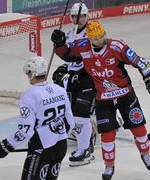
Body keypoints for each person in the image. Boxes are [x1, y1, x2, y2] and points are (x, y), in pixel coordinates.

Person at [51, 21, 150, 180]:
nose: (101, 39)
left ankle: (146, 155)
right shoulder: (82, 45)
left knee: (139, 129)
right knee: (107, 136)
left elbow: (140, 61)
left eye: (102, 35)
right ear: (89, 39)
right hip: (103, 98)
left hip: (125, 95)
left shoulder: (117, 46)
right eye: (96, 38)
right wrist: (59, 43)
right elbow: (66, 54)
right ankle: (109, 166)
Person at [0, 56, 75, 180]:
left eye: (29, 72)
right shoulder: (60, 90)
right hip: (61, 146)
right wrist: (57, 136)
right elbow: (70, 121)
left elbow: (26, 131)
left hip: (42, 148)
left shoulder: (29, 96)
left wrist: (5, 146)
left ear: (32, 73)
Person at [52, 2, 97, 167]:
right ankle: (84, 144)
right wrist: (59, 44)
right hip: (74, 77)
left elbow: (77, 55)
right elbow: (68, 56)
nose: (78, 19)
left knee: (81, 115)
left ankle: (85, 148)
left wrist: (63, 50)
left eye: (81, 16)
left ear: (87, 16)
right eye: (75, 16)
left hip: (89, 76)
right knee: (73, 113)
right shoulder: (71, 33)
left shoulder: (93, 31)